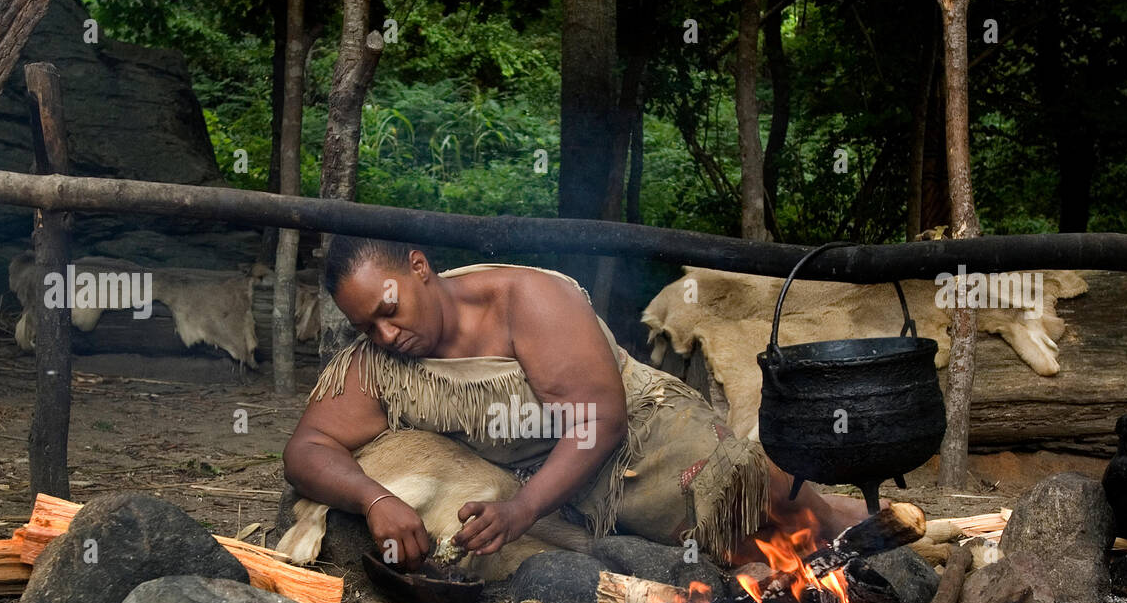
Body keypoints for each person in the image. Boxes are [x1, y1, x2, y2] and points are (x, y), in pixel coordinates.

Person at [282, 237, 869, 570]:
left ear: (419, 268)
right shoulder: (381, 361)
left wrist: (521, 511)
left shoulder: (526, 300)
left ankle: (861, 525)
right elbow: (308, 448)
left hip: (643, 438)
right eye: (367, 325)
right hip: (554, 487)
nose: (386, 335)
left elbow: (598, 422)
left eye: (390, 311)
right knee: (731, 565)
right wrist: (373, 496)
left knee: (783, 517)